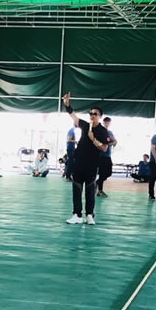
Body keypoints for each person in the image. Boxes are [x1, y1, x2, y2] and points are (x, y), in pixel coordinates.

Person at [62, 92, 109, 225]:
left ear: (100, 116)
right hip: (79, 162)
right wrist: (67, 105)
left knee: (90, 190)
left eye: (95, 114)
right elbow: (73, 116)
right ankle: (76, 215)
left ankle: (89, 215)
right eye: (90, 113)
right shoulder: (84, 125)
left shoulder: (102, 131)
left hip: (92, 165)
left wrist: (93, 139)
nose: (92, 115)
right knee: (77, 189)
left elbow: (104, 148)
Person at [96, 117, 116, 198]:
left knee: (109, 172)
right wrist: (108, 144)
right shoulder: (100, 131)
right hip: (101, 156)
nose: (107, 124)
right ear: (103, 123)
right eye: (105, 122)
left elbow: (115, 141)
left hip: (108, 155)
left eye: (108, 123)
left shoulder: (110, 132)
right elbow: (99, 143)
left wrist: (110, 144)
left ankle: (97, 183)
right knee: (102, 173)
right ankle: (100, 190)